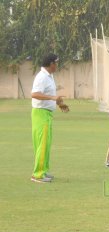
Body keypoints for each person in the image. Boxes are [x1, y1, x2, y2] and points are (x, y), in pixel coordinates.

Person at [31, 53, 69, 183]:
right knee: (42, 144)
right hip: (40, 113)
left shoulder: (49, 76)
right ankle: (37, 175)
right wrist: (53, 98)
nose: (57, 65)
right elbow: (35, 94)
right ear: (51, 64)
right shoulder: (41, 77)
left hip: (46, 114)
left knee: (46, 144)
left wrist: (60, 104)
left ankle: (44, 171)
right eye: (56, 63)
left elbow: (50, 95)